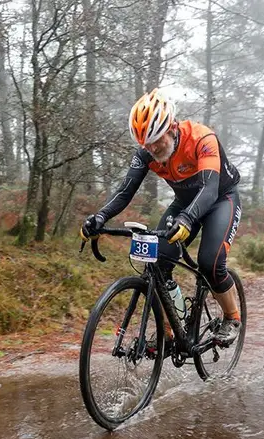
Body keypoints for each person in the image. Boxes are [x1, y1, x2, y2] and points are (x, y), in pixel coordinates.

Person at [80, 89, 243, 345]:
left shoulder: (202, 139)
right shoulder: (146, 153)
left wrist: (189, 219)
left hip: (221, 199)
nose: (152, 148)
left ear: (172, 127)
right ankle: (172, 330)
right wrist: (100, 217)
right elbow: (124, 192)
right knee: (158, 261)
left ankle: (232, 317)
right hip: (185, 203)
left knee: (209, 262)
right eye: (145, 143)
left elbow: (209, 189)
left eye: (157, 139)